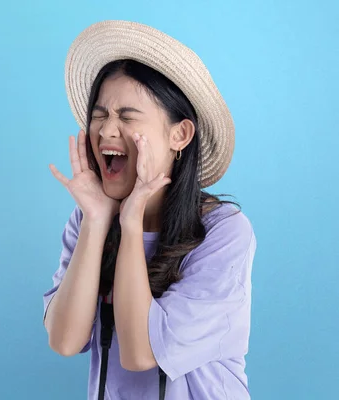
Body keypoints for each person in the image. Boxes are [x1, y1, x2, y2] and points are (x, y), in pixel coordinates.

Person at [43, 21, 256, 400]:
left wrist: (129, 221)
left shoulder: (223, 232)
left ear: (180, 136)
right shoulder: (88, 219)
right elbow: (64, 340)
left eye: (127, 117)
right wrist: (95, 220)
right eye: (99, 114)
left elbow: (141, 352)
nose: (107, 130)